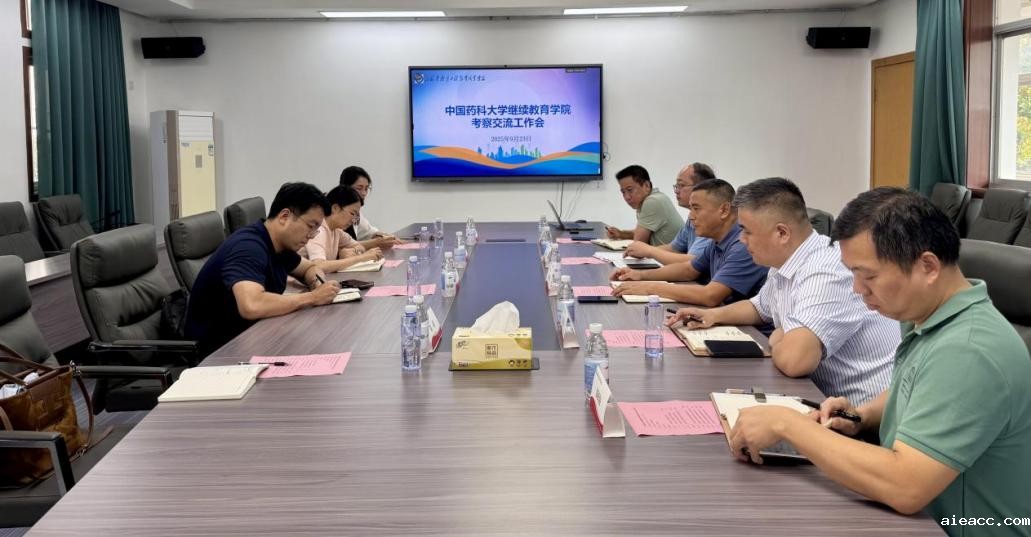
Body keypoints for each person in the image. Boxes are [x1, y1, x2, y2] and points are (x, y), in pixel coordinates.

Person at [726, 188, 1031, 532]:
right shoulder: (929, 316)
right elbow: (918, 386)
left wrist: (788, 425)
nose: (857, 289)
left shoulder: (968, 350)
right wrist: (862, 416)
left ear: (928, 266)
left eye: (868, 276)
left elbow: (906, 486)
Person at [667, 178, 896, 404]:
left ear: (782, 233)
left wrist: (777, 338)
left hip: (863, 412)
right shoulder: (784, 262)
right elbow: (759, 307)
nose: (741, 240)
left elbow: (795, 361)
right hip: (823, 396)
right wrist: (712, 315)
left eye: (746, 231)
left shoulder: (825, 271)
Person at [186, 182, 342, 354]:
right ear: (284, 216)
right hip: (220, 353)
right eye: (311, 227)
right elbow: (252, 305)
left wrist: (316, 283)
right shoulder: (248, 247)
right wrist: (312, 297)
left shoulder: (279, 244)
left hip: (255, 337)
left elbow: (309, 268)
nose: (311, 236)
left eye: (316, 230)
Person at [611, 179, 767, 307]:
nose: (691, 216)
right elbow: (688, 270)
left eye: (696, 209)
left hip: (750, 330)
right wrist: (639, 275)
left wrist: (650, 288)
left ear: (724, 210)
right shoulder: (717, 240)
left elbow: (710, 296)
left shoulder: (742, 244)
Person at [623, 162, 715, 264]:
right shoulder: (692, 217)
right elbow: (674, 248)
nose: (676, 191)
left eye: (681, 185)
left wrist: (649, 251)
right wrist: (644, 251)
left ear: (701, 188)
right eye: (676, 186)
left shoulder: (709, 219)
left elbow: (694, 262)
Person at [300, 185, 384, 272]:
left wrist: (352, 251)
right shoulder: (318, 230)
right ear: (335, 208)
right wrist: (361, 258)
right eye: (352, 213)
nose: (353, 220)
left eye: (356, 216)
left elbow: (359, 246)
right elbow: (319, 265)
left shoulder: (337, 230)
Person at [604, 164, 683, 246]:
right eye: (623, 192)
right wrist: (620, 234)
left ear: (647, 186)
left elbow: (638, 244)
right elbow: (639, 233)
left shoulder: (652, 201)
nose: (627, 197)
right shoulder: (652, 198)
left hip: (671, 254)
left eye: (630, 190)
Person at [339, 166, 402, 249]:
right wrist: (377, 242)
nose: (364, 193)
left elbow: (369, 231)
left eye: (366, 189)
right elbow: (344, 246)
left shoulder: (355, 212)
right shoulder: (336, 213)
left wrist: (388, 237)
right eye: (359, 188)